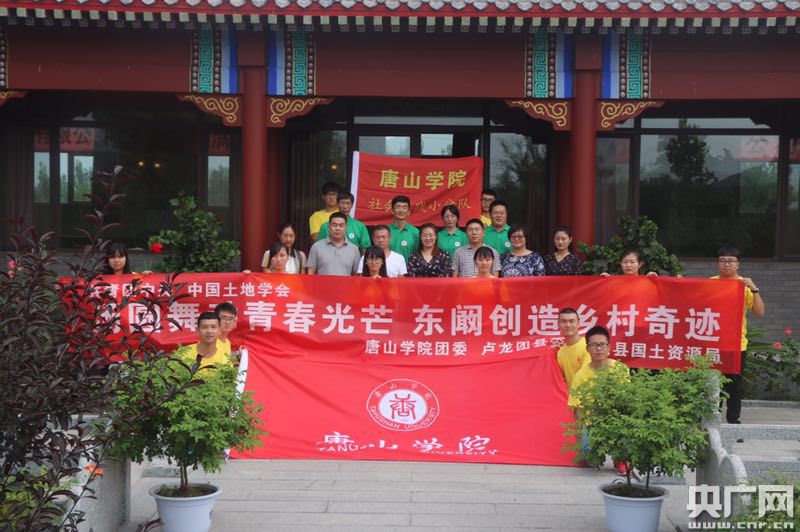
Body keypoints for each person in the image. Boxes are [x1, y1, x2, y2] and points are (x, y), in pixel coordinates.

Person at [712, 246, 765, 425]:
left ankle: (733, 423)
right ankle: (712, 422)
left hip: (736, 343)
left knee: (734, 386)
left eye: (731, 261)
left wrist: (754, 289)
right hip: (712, 343)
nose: (726, 264)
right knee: (713, 385)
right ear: (718, 263)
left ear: (738, 264)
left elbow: (759, 311)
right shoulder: (711, 283)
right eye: (722, 260)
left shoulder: (744, 285)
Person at [568, 325, 630, 475]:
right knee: (587, 457)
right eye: (594, 345)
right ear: (588, 349)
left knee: (625, 432)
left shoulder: (621, 369)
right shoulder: (580, 376)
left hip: (616, 420)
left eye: (602, 344)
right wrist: (578, 440)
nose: (598, 349)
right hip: (592, 424)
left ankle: (620, 458)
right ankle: (588, 452)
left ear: (609, 347)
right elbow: (578, 411)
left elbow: (627, 403)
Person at [556, 307, 590, 388]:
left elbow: (588, 375)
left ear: (578, 324)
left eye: (571, 321)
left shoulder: (588, 346)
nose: (568, 325)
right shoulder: (560, 352)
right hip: (571, 395)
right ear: (558, 325)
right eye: (564, 321)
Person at [388, 195, 419, 263]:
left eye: (404, 207)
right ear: (392, 210)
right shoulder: (385, 231)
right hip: (387, 269)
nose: (401, 210)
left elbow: (418, 254)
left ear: (408, 212)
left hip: (408, 269)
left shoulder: (415, 232)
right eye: (398, 207)